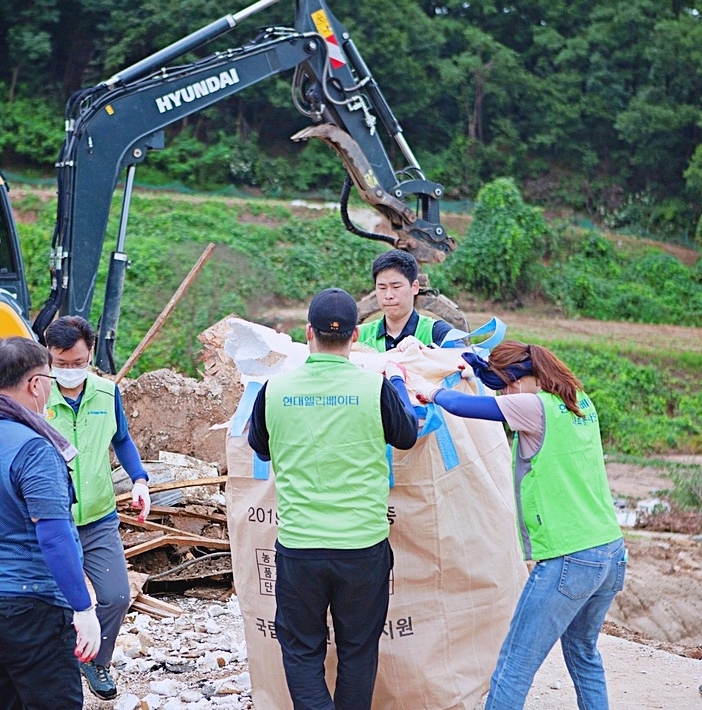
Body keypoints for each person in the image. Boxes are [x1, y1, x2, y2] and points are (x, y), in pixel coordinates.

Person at [416, 341, 625, 709]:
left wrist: (429, 391)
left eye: (509, 384)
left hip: (569, 558)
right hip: (610, 551)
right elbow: (499, 387)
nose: (508, 394)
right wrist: (474, 369)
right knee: (583, 653)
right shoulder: (578, 400)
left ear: (526, 377)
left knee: (514, 665)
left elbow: (461, 405)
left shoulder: (532, 405)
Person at [247, 288, 418, 710]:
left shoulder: (273, 390)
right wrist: (396, 380)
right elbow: (407, 436)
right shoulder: (372, 389)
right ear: (355, 336)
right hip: (363, 547)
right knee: (358, 650)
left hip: (301, 547)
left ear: (309, 333)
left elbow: (260, 448)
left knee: (302, 651)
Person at [0, 336, 102, 710]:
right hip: (25, 608)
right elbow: (54, 535)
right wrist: (83, 608)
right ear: (35, 384)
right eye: (50, 377)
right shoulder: (33, 449)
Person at [43, 316, 150, 701]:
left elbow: (122, 439)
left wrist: (139, 480)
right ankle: (57, 670)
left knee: (116, 596)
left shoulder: (107, 393)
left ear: (90, 355)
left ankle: (96, 659)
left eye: (78, 362)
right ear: (49, 357)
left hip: (99, 515)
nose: (70, 371)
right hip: (51, 522)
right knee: (56, 604)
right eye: (62, 363)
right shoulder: (38, 395)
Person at [356, 250, 452, 351]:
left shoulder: (437, 332)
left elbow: (464, 360)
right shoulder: (359, 336)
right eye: (382, 288)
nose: (388, 295)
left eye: (396, 287)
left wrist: (426, 351)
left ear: (415, 287)